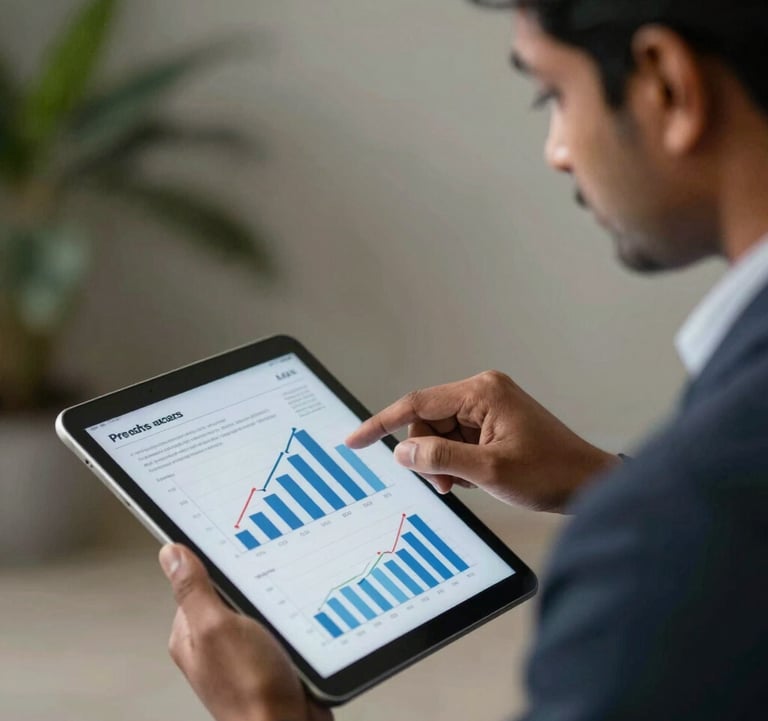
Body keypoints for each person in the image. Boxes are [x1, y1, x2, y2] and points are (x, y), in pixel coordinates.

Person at [156, 1, 768, 719]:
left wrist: (269, 713)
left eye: (553, 94)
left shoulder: (652, 552)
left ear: (668, 83)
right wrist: (603, 481)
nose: (558, 151)